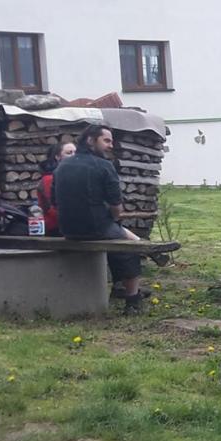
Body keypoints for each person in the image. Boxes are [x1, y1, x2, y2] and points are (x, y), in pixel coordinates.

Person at [53, 124, 144, 312]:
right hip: (95, 228)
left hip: (67, 229)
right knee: (129, 248)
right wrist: (112, 217)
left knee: (116, 232)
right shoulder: (104, 166)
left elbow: (55, 201)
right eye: (106, 140)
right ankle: (132, 300)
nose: (111, 145)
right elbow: (116, 206)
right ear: (90, 140)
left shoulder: (62, 166)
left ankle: (118, 286)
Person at [36, 141, 75, 236]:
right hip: (55, 227)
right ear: (57, 157)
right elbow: (55, 207)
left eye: (76, 152)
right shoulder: (49, 178)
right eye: (69, 153)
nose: (74, 156)